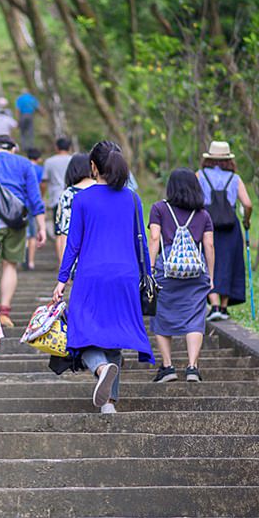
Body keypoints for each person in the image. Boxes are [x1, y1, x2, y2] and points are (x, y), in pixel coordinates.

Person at [51, 141, 155, 414]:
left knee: (79, 333)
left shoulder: (82, 198)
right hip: (125, 275)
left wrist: (62, 279)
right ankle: (108, 403)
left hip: (92, 274)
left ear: (93, 167)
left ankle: (99, 367)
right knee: (115, 335)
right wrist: (147, 276)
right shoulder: (132, 198)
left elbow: (73, 243)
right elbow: (141, 242)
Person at [147, 168, 216, 383]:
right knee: (195, 318)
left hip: (166, 272)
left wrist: (149, 271)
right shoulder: (203, 214)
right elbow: (209, 245)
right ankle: (192, 367)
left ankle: (168, 367)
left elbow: (155, 238)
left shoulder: (159, 208)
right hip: (195, 273)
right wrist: (211, 277)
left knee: (161, 316)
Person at [0, 135, 46, 327]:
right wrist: (41, 227)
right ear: (13, 148)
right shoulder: (24, 163)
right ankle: (4, 311)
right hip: (16, 220)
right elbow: (35, 198)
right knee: (10, 265)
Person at [196, 141, 252, 321]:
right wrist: (246, 219)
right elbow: (248, 204)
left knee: (208, 261)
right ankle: (224, 307)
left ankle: (214, 305)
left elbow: (193, 200)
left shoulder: (201, 175)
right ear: (229, 160)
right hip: (230, 226)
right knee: (229, 262)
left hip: (207, 224)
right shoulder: (235, 178)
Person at [54, 153, 96, 265]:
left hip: (78, 260)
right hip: (101, 256)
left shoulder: (68, 194)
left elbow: (64, 232)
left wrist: (64, 266)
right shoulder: (104, 191)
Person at [42, 137, 74, 236]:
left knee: (59, 232)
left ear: (56, 148)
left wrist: (42, 196)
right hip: (73, 197)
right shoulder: (73, 160)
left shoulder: (49, 161)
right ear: (69, 148)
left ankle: (60, 252)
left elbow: (44, 182)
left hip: (57, 198)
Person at [24, 148, 44, 270]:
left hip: (20, 204)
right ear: (39, 158)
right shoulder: (40, 170)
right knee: (32, 234)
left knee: (22, 233)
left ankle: (21, 257)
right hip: (33, 205)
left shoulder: (23, 167)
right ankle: (31, 262)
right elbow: (41, 186)